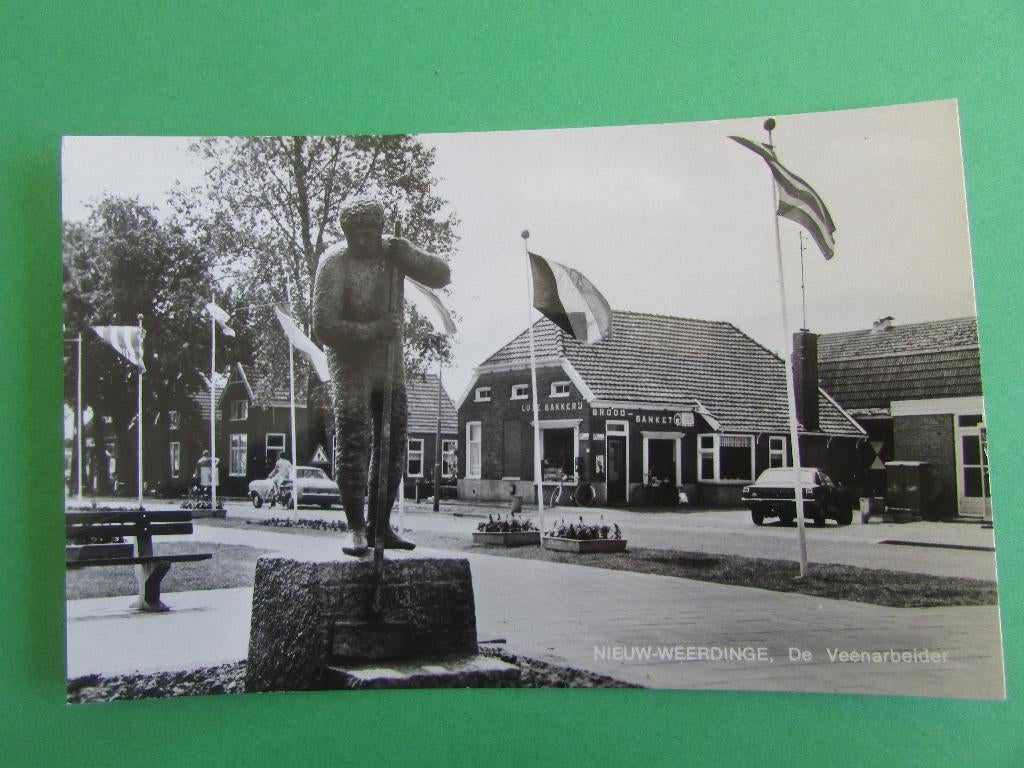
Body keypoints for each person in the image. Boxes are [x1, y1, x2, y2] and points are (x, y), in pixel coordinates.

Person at [313, 200, 451, 556]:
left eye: (368, 233)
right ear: (345, 234)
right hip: (349, 362)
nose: (361, 240)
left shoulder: (393, 253)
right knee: (353, 439)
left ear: (380, 230)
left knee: (393, 442)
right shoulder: (333, 263)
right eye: (353, 234)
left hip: (388, 364)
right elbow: (323, 326)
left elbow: (442, 274)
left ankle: (381, 525)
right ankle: (356, 527)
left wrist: (412, 255)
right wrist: (373, 329)